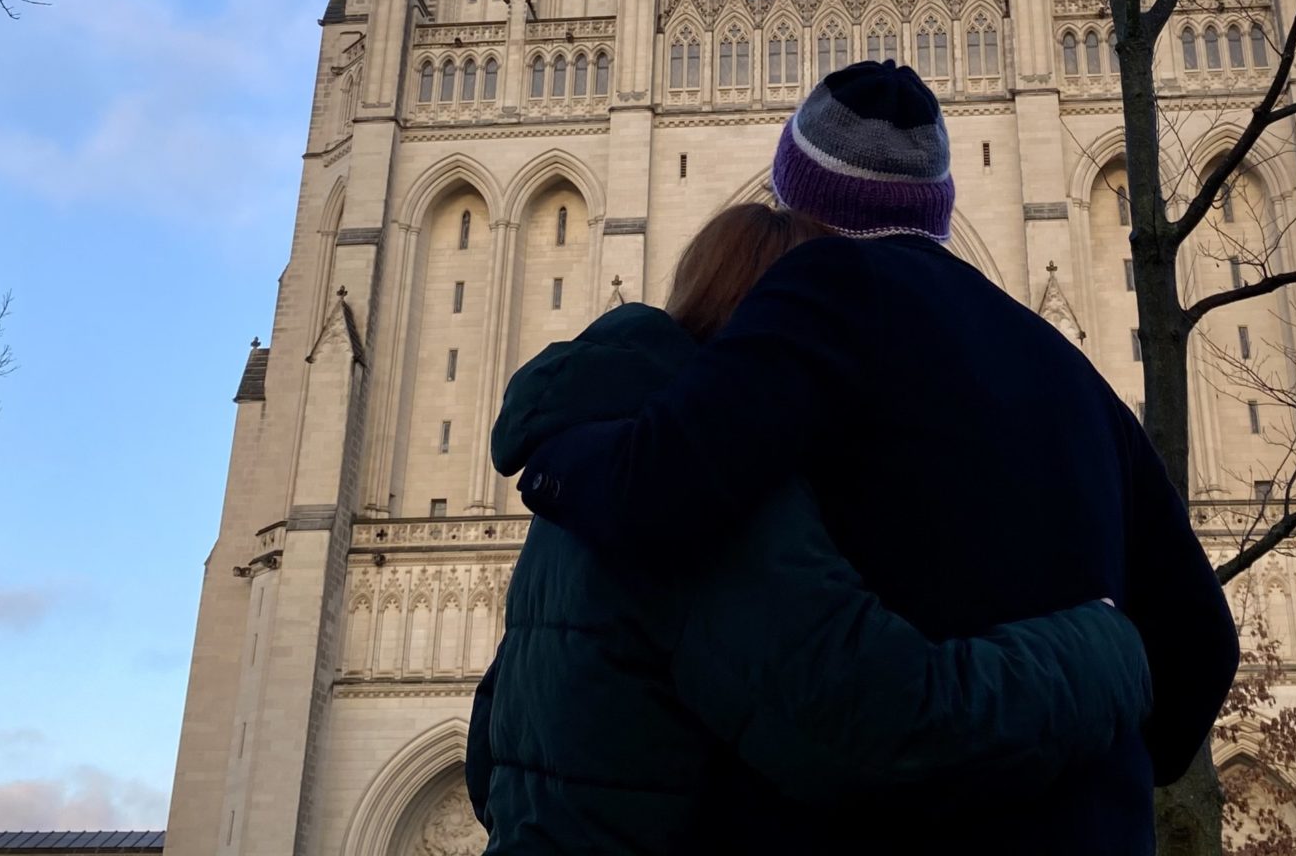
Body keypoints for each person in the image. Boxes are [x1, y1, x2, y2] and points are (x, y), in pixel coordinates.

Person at [518, 60, 1240, 854]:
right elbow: (1203, 647)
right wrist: (1100, 769)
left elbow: (656, 488)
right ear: (938, 207)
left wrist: (549, 439)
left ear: (799, 200)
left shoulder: (826, 288)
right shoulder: (1070, 369)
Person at [467, 201, 1155, 855]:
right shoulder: (708, 493)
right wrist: (1105, 647)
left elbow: (489, 755)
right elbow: (878, 724)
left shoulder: (582, 473)